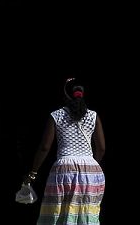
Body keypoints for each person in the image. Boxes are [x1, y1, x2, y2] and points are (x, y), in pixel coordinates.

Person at [26, 79, 106, 225]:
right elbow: (101, 148)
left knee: (60, 213)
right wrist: (91, 165)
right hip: (91, 170)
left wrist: (33, 173)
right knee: (87, 214)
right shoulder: (93, 116)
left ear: (65, 94)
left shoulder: (56, 115)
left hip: (64, 169)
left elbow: (44, 147)